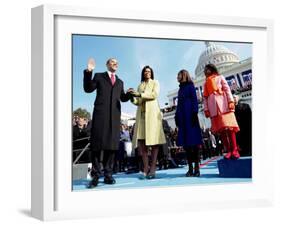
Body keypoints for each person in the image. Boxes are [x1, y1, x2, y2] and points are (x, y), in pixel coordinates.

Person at [83, 58, 131, 188]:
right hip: (100, 115)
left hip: (114, 117)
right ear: (107, 64)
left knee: (112, 146)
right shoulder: (99, 76)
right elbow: (88, 88)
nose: (116, 63)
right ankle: (96, 175)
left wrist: (129, 94)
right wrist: (89, 72)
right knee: (97, 146)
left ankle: (108, 175)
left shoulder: (120, 82)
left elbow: (122, 97)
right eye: (113, 62)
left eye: (117, 62)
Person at [128, 65, 166, 179]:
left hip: (153, 115)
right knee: (141, 143)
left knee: (154, 143)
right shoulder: (140, 85)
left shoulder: (155, 82)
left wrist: (139, 94)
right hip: (142, 116)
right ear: (143, 73)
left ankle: (153, 168)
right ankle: (146, 167)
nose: (147, 73)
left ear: (151, 73)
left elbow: (154, 95)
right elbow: (138, 101)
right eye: (145, 71)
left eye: (149, 71)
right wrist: (131, 97)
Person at [203, 64, 240, 160]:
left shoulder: (220, 77)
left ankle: (234, 149)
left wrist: (231, 101)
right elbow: (205, 98)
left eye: (207, 69)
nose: (206, 71)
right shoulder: (206, 83)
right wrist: (206, 109)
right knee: (222, 131)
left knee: (230, 129)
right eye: (205, 70)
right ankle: (228, 150)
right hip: (214, 109)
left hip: (224, 105)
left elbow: (227, 89)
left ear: (212, 69)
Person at [175, 69, 203, 177]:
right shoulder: (180, 89)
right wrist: (176, 116)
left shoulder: (190, 86)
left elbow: (194, 99)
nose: (177, 77)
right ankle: (190, 168)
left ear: (184, 75)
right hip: (182, 117)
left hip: (190, 116)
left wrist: (194, 112)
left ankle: (197, 167)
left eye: (179, 75)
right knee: (186, 145)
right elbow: (179, 104)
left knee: (194, 144)